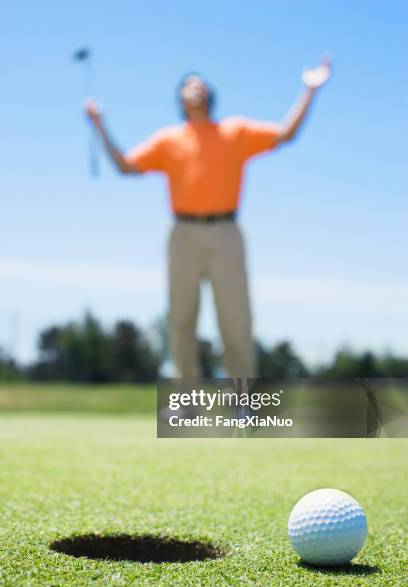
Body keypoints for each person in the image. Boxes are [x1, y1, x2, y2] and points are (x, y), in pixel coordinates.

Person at [85, 60, 331, 379]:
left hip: (226, 233)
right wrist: (99, 125)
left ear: (210, 95)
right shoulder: (168, 140)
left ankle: (242, 401)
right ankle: (187, 402)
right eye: (188, 85)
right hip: (183, 234)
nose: (195, 89)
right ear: (181, 98)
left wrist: (309, 90)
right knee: (181, 320)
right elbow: (126, 166)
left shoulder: (235, 132)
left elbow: (286, 133)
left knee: (236, 320)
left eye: (201, 85)